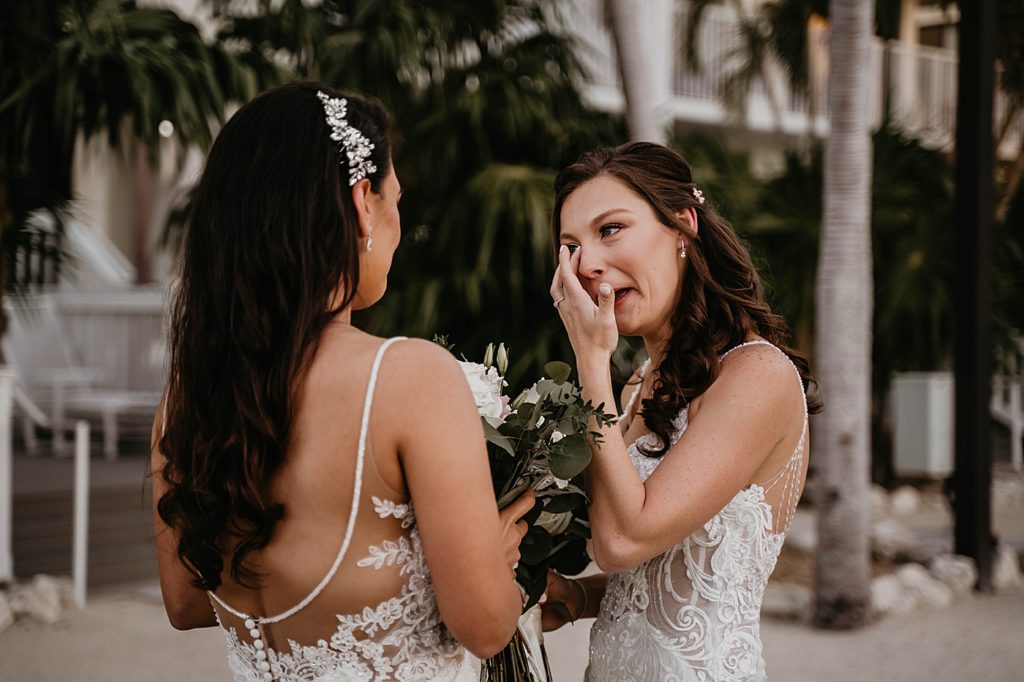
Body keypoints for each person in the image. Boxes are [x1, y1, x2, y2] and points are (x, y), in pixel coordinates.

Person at [151, 81, 534, 681]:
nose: (399, 225)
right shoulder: (408, 378)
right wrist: (491, 557)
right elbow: (486, 629)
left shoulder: (187, 399)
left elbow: (187, 602)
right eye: (395, 200)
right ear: (362, 202)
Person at [542, 142, 821, 680]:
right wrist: (577, 596)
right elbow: (666, 580)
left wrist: (590, 364)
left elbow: (623, 540)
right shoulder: (637, 389)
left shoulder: (757, 375)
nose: (588, 264)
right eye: (569, 245)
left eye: (610, 229)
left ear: (682, 226)